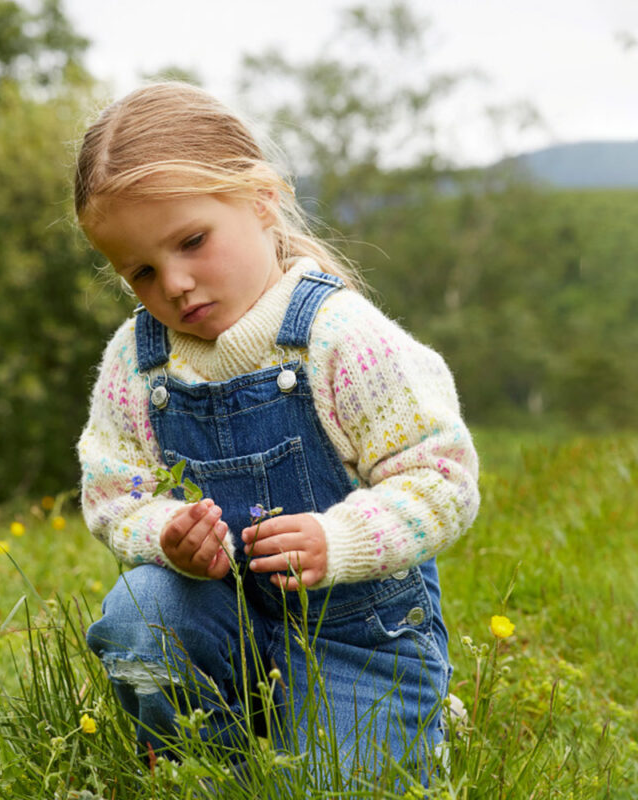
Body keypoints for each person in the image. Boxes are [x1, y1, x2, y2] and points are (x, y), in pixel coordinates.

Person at [75, 81, 479, 788]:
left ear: (262, 199)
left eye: (192, 241)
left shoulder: (340, 338)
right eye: (140, 270)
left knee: (329, 788)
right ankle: (205, 762)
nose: (173, 283)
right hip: (226, 626)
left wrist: (339, 539)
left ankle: (414, 718)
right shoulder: (137, 363)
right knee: (143, 608)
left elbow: (441, 477)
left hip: (359, 640)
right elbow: (113, 492)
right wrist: (167, 533)